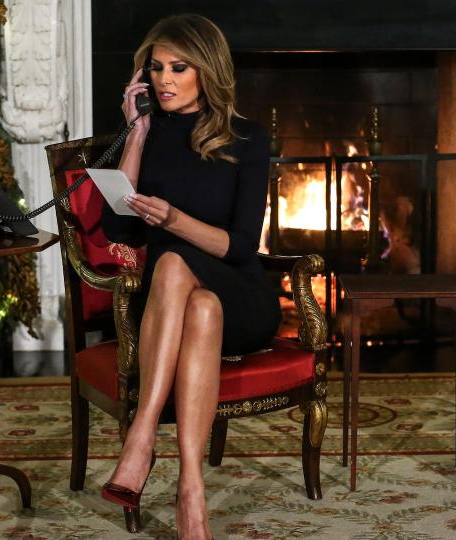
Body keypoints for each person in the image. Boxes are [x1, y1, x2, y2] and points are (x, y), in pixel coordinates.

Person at [99, 13, 280, 540]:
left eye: (179, 67)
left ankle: (141, 437)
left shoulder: (247, 137)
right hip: (171, 305)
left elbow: (242, 246)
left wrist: (174, 221)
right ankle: (191, 492)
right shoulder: (148, 131)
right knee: (198, 306)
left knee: (176, 259)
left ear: (208, 70)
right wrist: (134, 134)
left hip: (240, 291)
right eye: (155, 68)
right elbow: (118, 226)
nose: (164, 79)